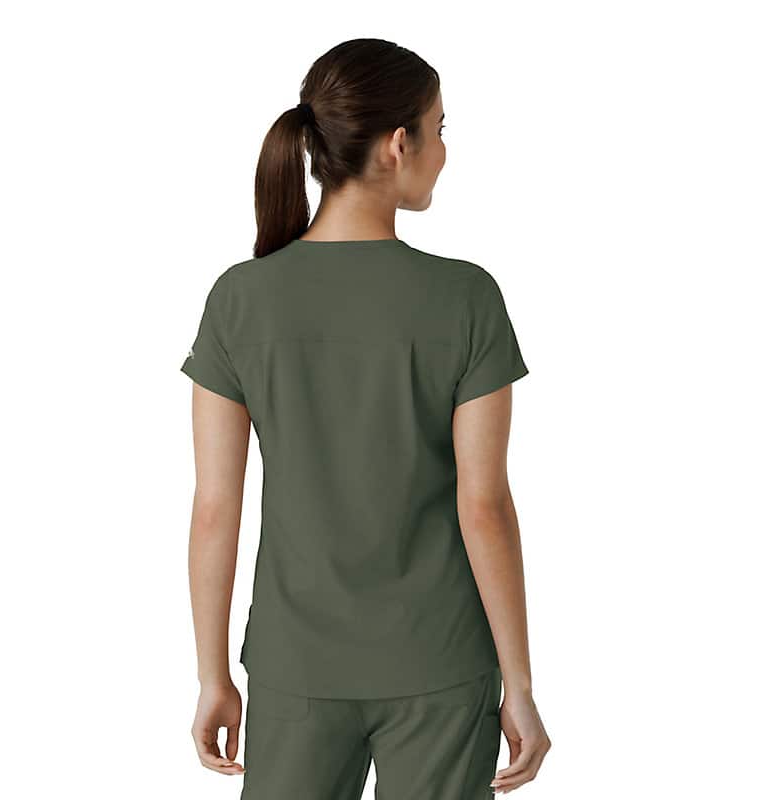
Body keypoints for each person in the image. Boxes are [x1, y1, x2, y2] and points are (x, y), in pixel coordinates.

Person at [180, 37, 550, 799]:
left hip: (295, 667)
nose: (444, 151)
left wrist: (213, 675)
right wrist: (519, 684)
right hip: (441, 662)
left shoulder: (240, 299)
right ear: (398, 144)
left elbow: (216, 508)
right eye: (440, 129)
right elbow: (483, 506)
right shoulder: (466, 298)